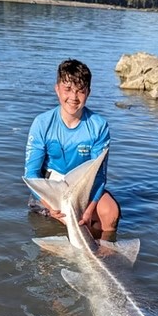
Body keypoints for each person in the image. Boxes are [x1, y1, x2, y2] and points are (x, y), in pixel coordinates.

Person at [24, 58, 120, 238]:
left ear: (88, 92)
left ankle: (104, 250)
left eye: (80, 91)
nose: (73, 97)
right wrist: (49, 205)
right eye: (67, 89)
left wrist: (89, 210)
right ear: (57, 89)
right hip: (52, 187)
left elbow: (99, 176)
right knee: (61, 225)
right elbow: (31, 174)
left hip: (82, 186)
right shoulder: (42, 123)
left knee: (110, 213)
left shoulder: (99, 126)